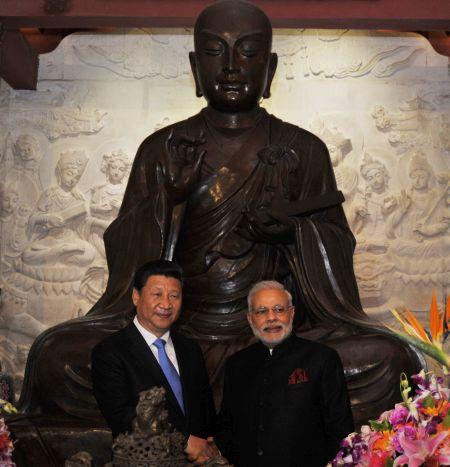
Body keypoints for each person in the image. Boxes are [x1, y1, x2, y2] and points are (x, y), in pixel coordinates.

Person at [19, 0, 420, 431]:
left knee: (389, 360)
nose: (231, 67)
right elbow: (125, 255)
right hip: (177, 331)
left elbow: (336, 244)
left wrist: (294, 234)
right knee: (54, 355)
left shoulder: (303, 150)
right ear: (195, 67)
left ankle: (186, 414)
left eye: (248, 53)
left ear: (270, 68)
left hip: (274, 332)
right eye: (214, 52)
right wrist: (168, 199)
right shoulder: (163, 149)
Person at [215, 280, 353, 467]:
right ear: (250, 318)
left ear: (292, 313)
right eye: (261, 311)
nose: (271, 318)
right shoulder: (236, 364)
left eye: (279, 309)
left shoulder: (322, 358)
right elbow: (226, 425)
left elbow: (340, 428)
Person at [91, 260, 216, 464]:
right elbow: (122, 418)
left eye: (174, 296)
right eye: (157, 294)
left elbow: (205, 409)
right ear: (136, 297)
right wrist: (183, 443)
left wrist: (211, 445)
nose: (166, 304)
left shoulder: (190, 349)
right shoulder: (109, 352)